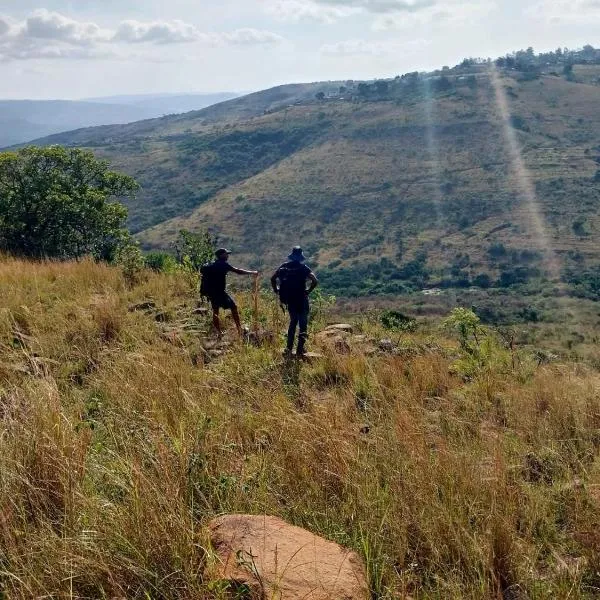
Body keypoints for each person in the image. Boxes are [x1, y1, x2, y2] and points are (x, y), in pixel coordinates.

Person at [271, 246, 318, 356]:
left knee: (293, 322)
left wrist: (276, 290)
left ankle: (288, 348)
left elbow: (273, 279)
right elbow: (315, 280)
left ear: (292, 256)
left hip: (290, 299)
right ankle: (300, 350)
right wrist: (308, 291)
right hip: (301, 299)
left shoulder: (284, 266)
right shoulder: (303, 268)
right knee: (303, 324)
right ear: (301, 256)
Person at [201, 248, 258, 338]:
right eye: (226, 254)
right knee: (234, 307)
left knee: (215, 311)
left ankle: (219, 333)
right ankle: (239, 330)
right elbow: (238, 271)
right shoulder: (223, 264)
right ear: (221, 255)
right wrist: (252, 272)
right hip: (220, 292)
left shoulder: (212, 264)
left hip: (211, 292)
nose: (227, 255)